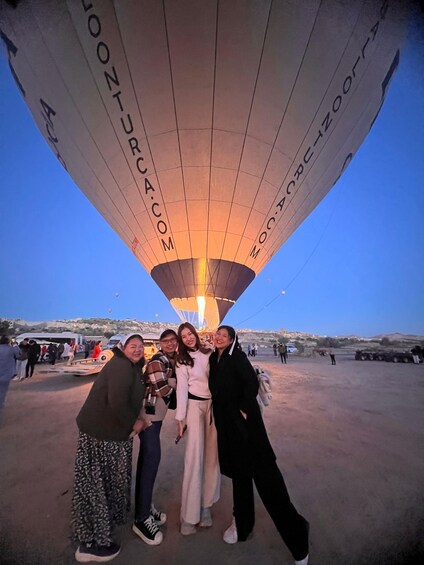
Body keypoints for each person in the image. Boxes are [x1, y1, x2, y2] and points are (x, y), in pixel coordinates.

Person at [209, 325, 309, 565]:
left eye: (224, 335)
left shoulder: (239, 357)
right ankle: (242, 524)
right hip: (228, 430)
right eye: (217, 334)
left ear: (233, 339)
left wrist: (244, 409)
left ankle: (298, 539)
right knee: (240, 478)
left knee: (268, 484)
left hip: (248, 431)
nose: (219, 337)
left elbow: (251, 384)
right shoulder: (215, 358)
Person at [71, 333, 148, 563]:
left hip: (110, 435)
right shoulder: (121, 366)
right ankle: (91, 544)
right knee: (98, 484)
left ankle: (101, 528)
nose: (138, 350)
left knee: (105, 483)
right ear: (122, 348)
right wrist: (136, 423)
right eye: (133, 346)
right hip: (101, 435)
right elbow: (116, 401)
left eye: (141, 346)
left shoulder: (132, 368)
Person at [133, 329, 178, 546]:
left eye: (173, 340)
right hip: (149, 415)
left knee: (147, 460)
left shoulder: (171, 360)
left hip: (156, 416)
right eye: (165, 341)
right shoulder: (157, 360)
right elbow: (162, 390)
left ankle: (145, 505)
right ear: (160, 343)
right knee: (151, 459)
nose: (169, 344)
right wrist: (177, 384)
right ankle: (141, 519)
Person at [175, 322, 220, 536]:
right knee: (194, 458)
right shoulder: (181, 361)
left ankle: (205, 507)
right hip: (194, 407)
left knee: (212, 458)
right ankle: (189, 515)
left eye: (190, 334)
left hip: (212, 407)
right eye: (183, 336)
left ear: (195, 333)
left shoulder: (209, 353)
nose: (188, 338)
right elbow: (182, 390)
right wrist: (180, 419)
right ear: (181, 340)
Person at [0, 336, 20, 412]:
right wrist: (14, 344)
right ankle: (0, 404)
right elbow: (18, 355)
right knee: (2, 390)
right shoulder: (10, 349)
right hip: (6, 373)